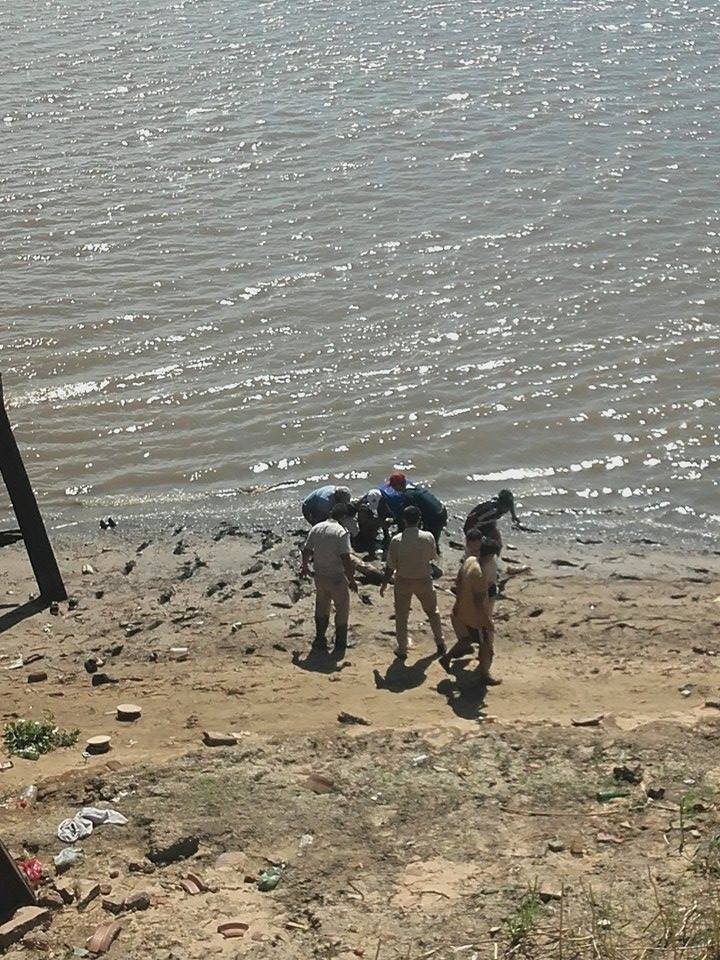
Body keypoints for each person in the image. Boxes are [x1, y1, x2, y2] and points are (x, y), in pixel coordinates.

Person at [380, 505, 445, 660]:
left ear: (404, 520)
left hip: (403, 580)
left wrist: (384, 583)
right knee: (432, 612)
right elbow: (432, 557)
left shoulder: (397, 540)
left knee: (402, 616)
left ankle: (402, 649)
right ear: (419, 519)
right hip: (423, 578)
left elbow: (390, 565)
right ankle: (440, 642)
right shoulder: (428, 537)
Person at [440, 531, 500, 684]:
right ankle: (485, 675)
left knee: (466, 640)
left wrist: (458, 603)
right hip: (476, 615)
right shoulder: (479, 575)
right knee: (487, 644)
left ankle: (446, 658)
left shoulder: (470, 561)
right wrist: (487, 622)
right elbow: (480, 602)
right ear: (489, 556)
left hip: (462, 610)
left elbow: (458, 581)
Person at [300, 504, 358, 656]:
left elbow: (306, 550)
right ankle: (340, 643)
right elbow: (346, 557)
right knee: (342, 608)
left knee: (321, 607)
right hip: (336, 577)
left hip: (320, 575)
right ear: (344, 517)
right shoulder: (341, 532)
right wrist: (351, 579)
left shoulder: (317, 528)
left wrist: (304, 566)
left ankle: (320, 638)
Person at [405, 485, 448, 552]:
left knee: (430, 541)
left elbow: (415, 513)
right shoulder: (417, 488)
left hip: (435, 517)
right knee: (433, 538)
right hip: (442, 510)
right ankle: (435, 552)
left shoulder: (408, 495)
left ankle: (433, 555)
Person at [352, 489, 392, 557]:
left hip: (377, 517)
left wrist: (388, 520)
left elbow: (390, 516)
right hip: (365, 518)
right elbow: (354, 509)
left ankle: (385, 540)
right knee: (365, 526)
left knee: (384, 522)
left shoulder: (384, 502)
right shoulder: (363, 503)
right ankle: (365, 536)